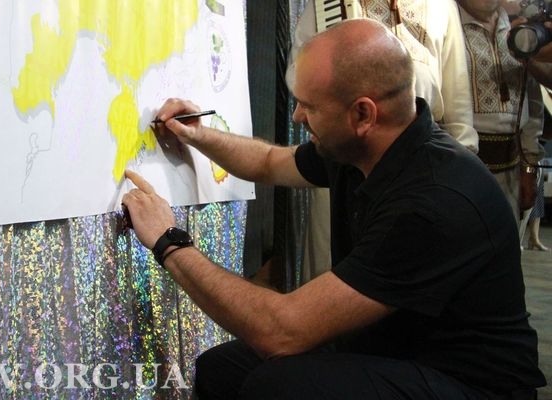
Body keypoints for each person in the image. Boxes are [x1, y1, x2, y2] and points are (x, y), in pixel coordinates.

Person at [122, 19, 546, 399]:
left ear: (363, 114)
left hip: (466, 382)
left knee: (278, 385)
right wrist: (198, 135)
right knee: (221, 369)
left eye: (309, 105)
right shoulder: (364, 147)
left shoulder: (433, 201)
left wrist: (169, 242)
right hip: (395, 351)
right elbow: (268, 162)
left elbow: (281, 330)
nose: (297, 116)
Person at [286, 0, 478, 282]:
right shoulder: (327, 5)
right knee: (333, 270)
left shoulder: (441, 6)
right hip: (346, 163)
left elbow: (457, 96)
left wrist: (460, 169)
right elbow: (301, 76)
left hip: (421, 165)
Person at [457, 0, 546, 222]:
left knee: (508, 240)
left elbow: (533, 103)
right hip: (461, 169)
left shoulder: (519, 30)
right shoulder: (446, 25)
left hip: (512, 172)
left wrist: (529, 167)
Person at [526, 157, 550, 251]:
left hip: (534, 158)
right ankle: (517, 239)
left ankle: (534, 238)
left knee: (537, 194)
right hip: (520, 159)